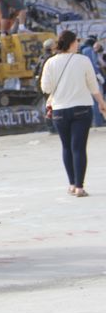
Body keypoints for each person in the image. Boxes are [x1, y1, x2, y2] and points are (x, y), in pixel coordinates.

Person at [40, 30, 106, 197]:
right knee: (79, 148)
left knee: (66, 147)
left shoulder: (50, 63)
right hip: (82, 109)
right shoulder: (83, 60)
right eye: (76, 41)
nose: (78, 44)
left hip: (59, 110)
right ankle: (79, 186)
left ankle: (71, 184)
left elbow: (45, 88)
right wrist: (101, 103)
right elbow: (93, 86)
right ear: (71, 43)